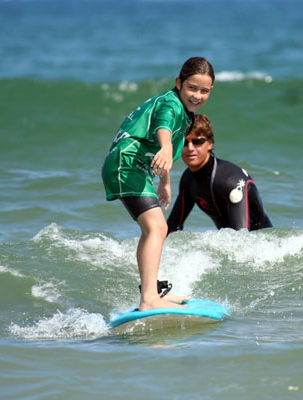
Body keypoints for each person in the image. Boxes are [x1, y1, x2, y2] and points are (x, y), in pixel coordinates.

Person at [101, 57, 215, 311]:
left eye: (204, 90)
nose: (197, 95)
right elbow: (162, 127)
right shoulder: (171, 105)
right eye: (192, 88)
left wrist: (164, 182)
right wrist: (164, 146)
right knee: (157, 228)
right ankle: (149, 298)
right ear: (179, 83)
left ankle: (151, 293)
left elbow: (166, 148)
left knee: (154, 229)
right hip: (126, 164)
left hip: (135, 166)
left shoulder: (184, 112)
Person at [167, 114, 272, 233]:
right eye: (184, 143)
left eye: (197, 141)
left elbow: (240, 237)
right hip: (233, 244)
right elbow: (173, 225)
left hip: (264, 248)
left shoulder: (231, 181)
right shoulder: (188, 179)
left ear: (210, 143)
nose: (190, 148)